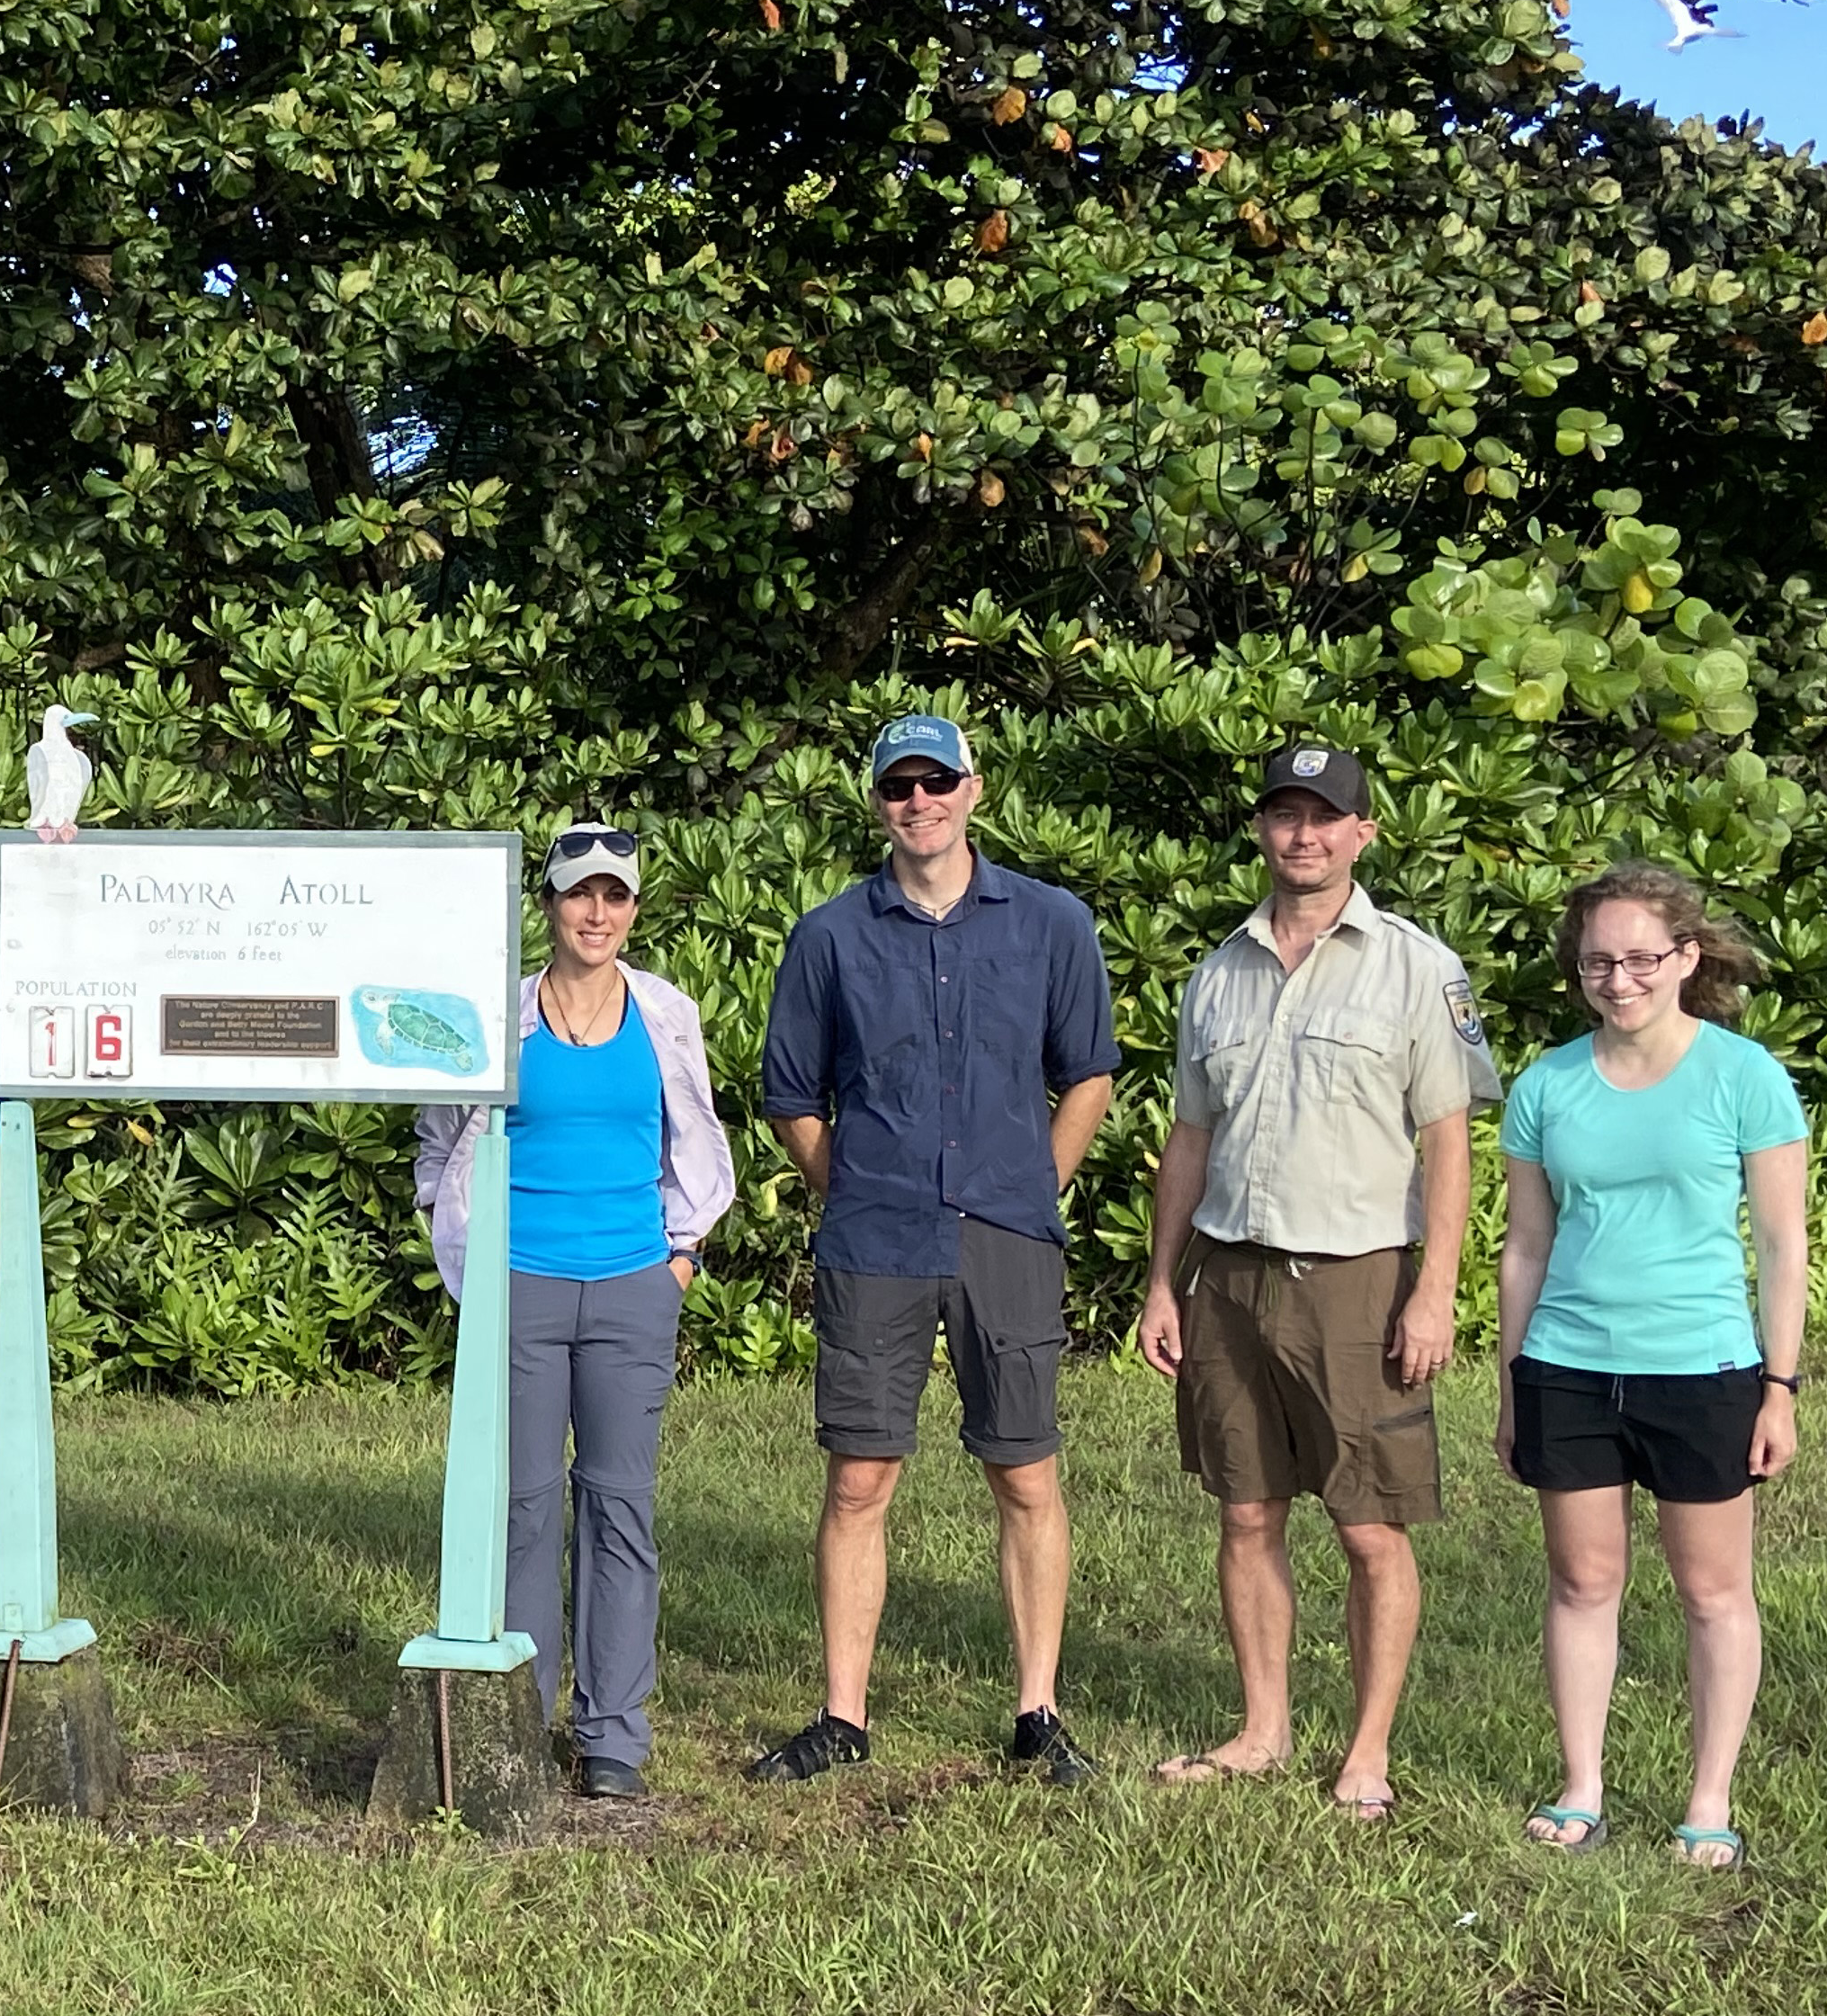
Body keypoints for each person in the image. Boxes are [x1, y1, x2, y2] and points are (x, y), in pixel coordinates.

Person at [751, 712, 1120, 1788]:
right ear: (877, 802)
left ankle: (1038, 1712)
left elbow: (1087, 1071)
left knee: (1025, 1472)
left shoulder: (1051, 923)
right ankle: (844, 1715)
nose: (919, 801)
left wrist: (1032, 1184)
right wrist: (855, 1184)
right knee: (860, 1477)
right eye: (899, 786)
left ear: (974, 789)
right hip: (878, 1236)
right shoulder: (829, 937)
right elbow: (791, 1096)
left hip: (1008, 1234)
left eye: (937, 781)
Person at [1135, 747, 1499, 1822]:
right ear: (1263, 831)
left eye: (1325, 818)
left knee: (1368, 1526)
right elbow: (1188, 1140)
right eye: (1286, 815)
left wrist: (1435, 1291)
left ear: (1363, 835)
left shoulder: (1416, 969)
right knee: (1247, 1513)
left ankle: (1368, 1752)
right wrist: (1164, 1282)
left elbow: (1448, 1146)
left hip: (1358, 1280)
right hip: (1232, 1277)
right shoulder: (1220, 970)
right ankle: (1261, 1730)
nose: (1304, 836)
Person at [414, 823, 736, 1799]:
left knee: (619, 1506)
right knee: (518, 1509)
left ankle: (612, 1738)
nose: (598, 913)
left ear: (635, 908)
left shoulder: (667, 1015)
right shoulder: (496, 1017)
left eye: (617, 896)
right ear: (547, 904)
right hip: (521, 1285)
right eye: (579, 894)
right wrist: (457, 1239)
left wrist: (678, 1262)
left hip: (634, 1283)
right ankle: (518, 1710)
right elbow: (438, 1146)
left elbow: (699, 1144)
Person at [1497, 861, 1806, 1870]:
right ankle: (1580, 1786)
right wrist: (1511, 1384)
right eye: (1597, 961)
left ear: (1684, 957)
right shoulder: (1546, 1084)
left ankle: (1708, 1801)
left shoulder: (1745, 1076)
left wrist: (1779, 1388)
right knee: (1583, 1582)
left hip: (1705, 1368)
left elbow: (1782, 1245)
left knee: (1713, 1592)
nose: (1618, 979)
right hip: (1568, 1367)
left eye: (1639, 958)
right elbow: (1526, 1248)